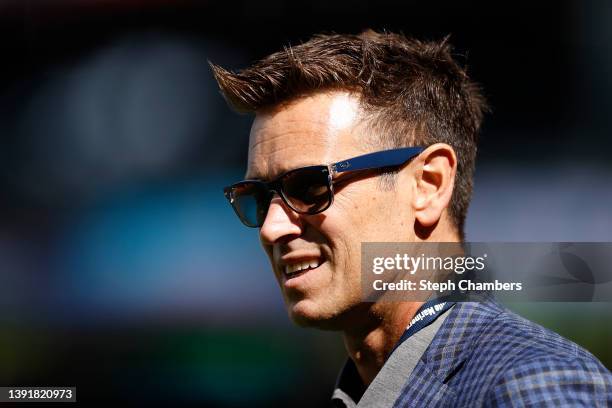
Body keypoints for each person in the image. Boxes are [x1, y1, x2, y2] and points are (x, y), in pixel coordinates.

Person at [212, 30, 612, 407]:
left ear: (429, 184)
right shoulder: (375, 385)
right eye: (260, 198)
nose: (271, 227)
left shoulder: (531, 381)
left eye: (309, 187)